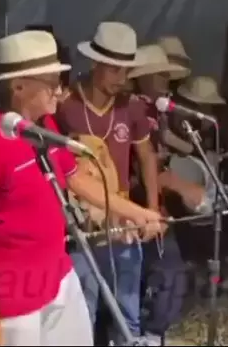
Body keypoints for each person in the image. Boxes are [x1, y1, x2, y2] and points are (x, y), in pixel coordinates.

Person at [0, 30, 164, 346]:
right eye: (52, 83)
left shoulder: (46, 127)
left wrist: (138, 212)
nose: (60, 91)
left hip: (59, 276)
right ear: (18, 86)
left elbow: (76, 179)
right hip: (15, 292)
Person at [55, 22, 162, 343]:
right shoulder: (66, 104)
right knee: (82, 309)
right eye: (114, 69)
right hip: (82, 222)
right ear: (95, 63)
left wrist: (153, 207)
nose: (121, 78)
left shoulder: (132, 106)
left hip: (123, 218)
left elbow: (147, 157)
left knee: (127, 310)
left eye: (126, 71)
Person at [128, 45, 209, 345]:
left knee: (161, 273)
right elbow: (139, 166)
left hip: (152, 202)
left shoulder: (155, 113)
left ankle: (148, 331)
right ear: (143, 78)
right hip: (134, 202)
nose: (167, 81)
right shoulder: (134, 111)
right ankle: (146, 333)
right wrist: (177, 185)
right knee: (163, 271)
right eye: (160, 75)